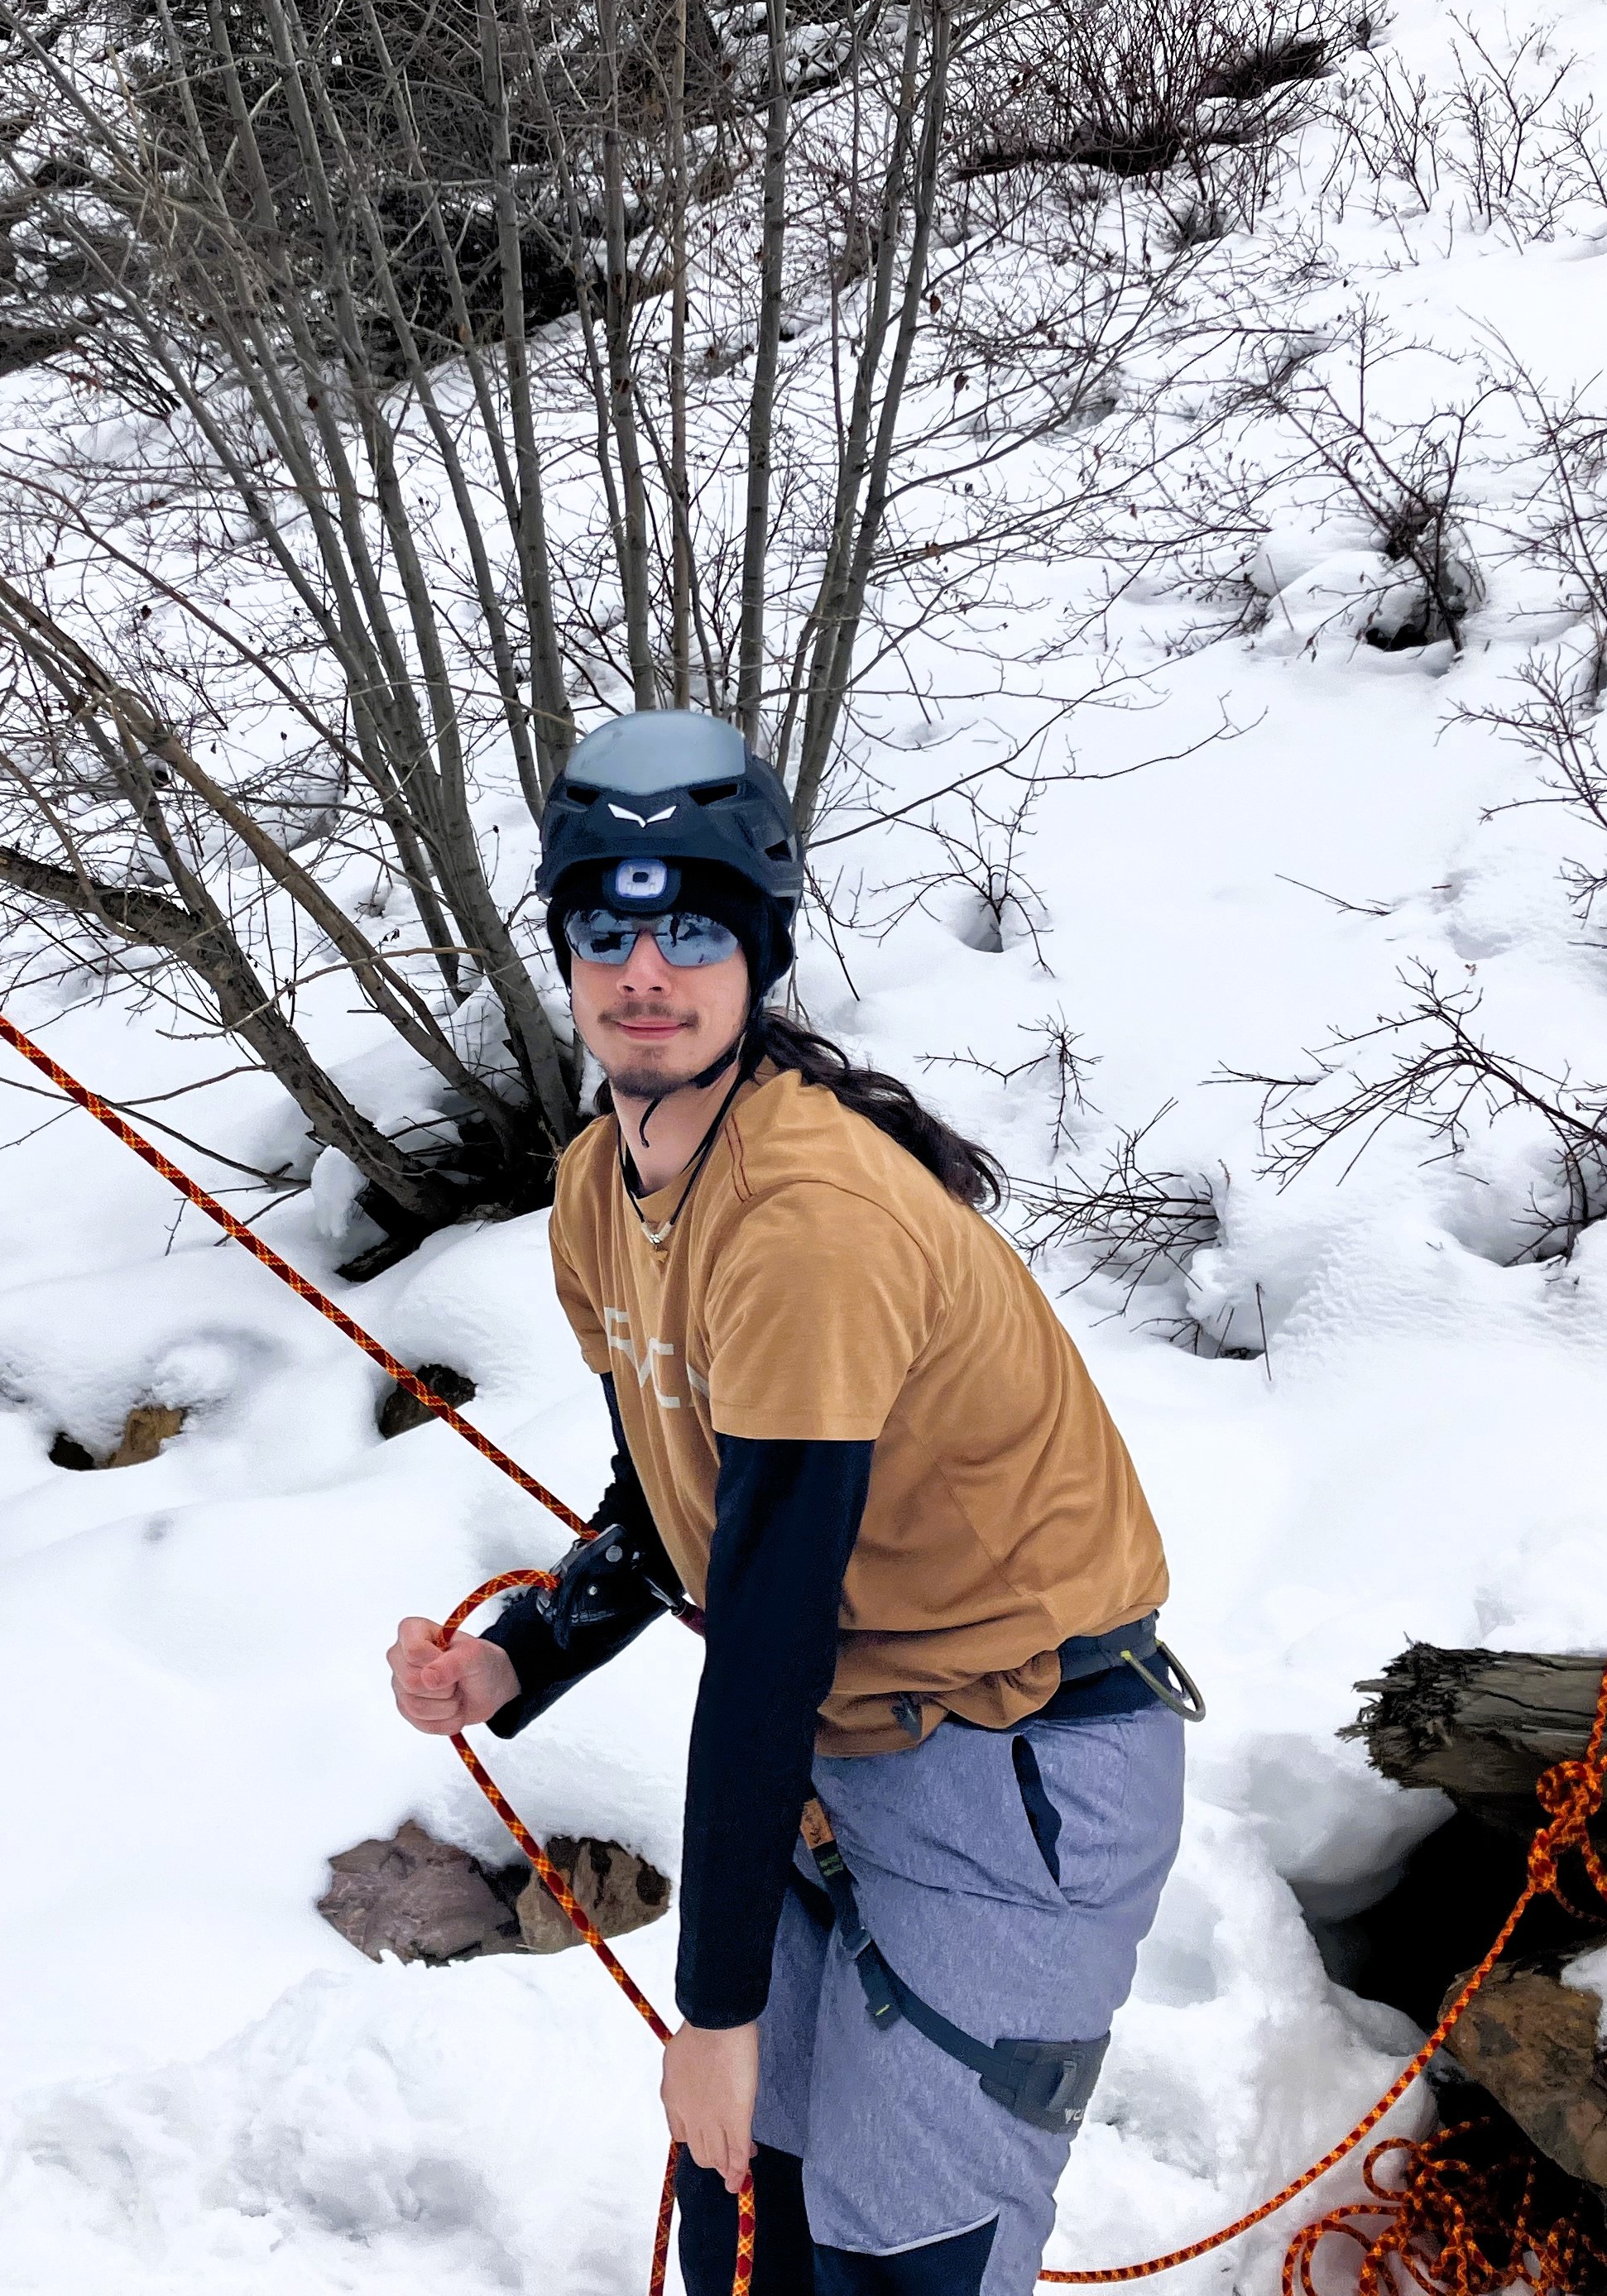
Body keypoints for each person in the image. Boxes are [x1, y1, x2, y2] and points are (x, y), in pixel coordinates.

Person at [386, 709, 1192, 2296]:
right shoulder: (593, 1192)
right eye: (605, 930)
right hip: (850, 1752)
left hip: (1016, 1766)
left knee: (903, 2259)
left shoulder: (807, 1221)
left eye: (690, 926)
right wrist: (521, 1658)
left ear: (756, 953)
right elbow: (669, 1490)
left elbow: (763, 1634)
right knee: (748, 2229)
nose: (645, 971)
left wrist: (718, 2014)